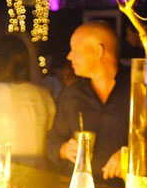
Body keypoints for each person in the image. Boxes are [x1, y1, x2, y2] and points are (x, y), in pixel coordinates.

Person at [45, 21, 130, 179]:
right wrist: (63, 149)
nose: (69, 56)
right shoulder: (71, 95)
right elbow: (52, 141)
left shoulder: (139, 91)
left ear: (98, 51)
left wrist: (130, 155)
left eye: (75, 49)